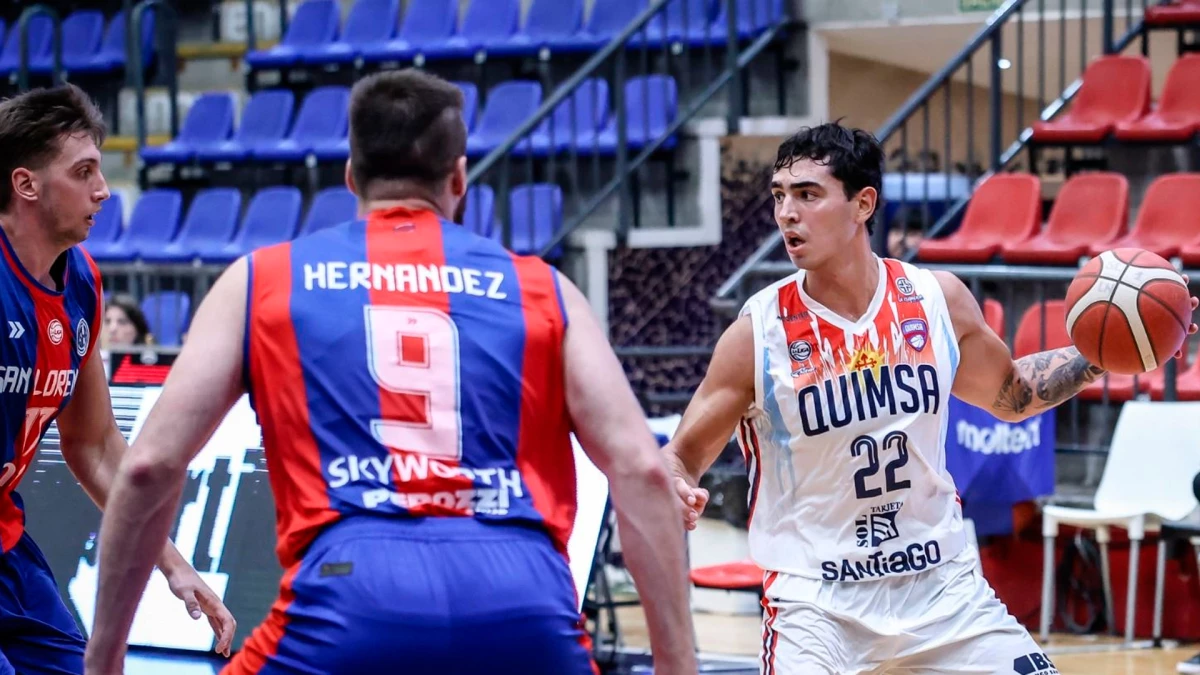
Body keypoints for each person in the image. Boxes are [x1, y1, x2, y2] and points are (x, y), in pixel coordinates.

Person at [84, 69, 697, 675]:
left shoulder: (262, 281)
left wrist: (104, 659)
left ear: (351, 176)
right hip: (524, 597)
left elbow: (149, 466)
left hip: (349, 592)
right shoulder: (543, 288)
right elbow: (642, 469)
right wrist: (677, 664)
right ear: (459, 178)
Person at [666, 122, 1198, 674]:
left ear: (862, 204)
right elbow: (682, 455)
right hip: (820, 608)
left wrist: (1098, 356)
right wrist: (676, 485)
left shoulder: (935, 299)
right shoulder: (759, 333)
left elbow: (1012, 394)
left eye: (807, 194)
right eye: (779, 195)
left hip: (943, 593)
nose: (786, 213)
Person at [0, 84, 235, 675]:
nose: (103, 190)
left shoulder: (80, 282)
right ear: (25, 184)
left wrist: (174, 565)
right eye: (83, 173)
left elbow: (96, 445)